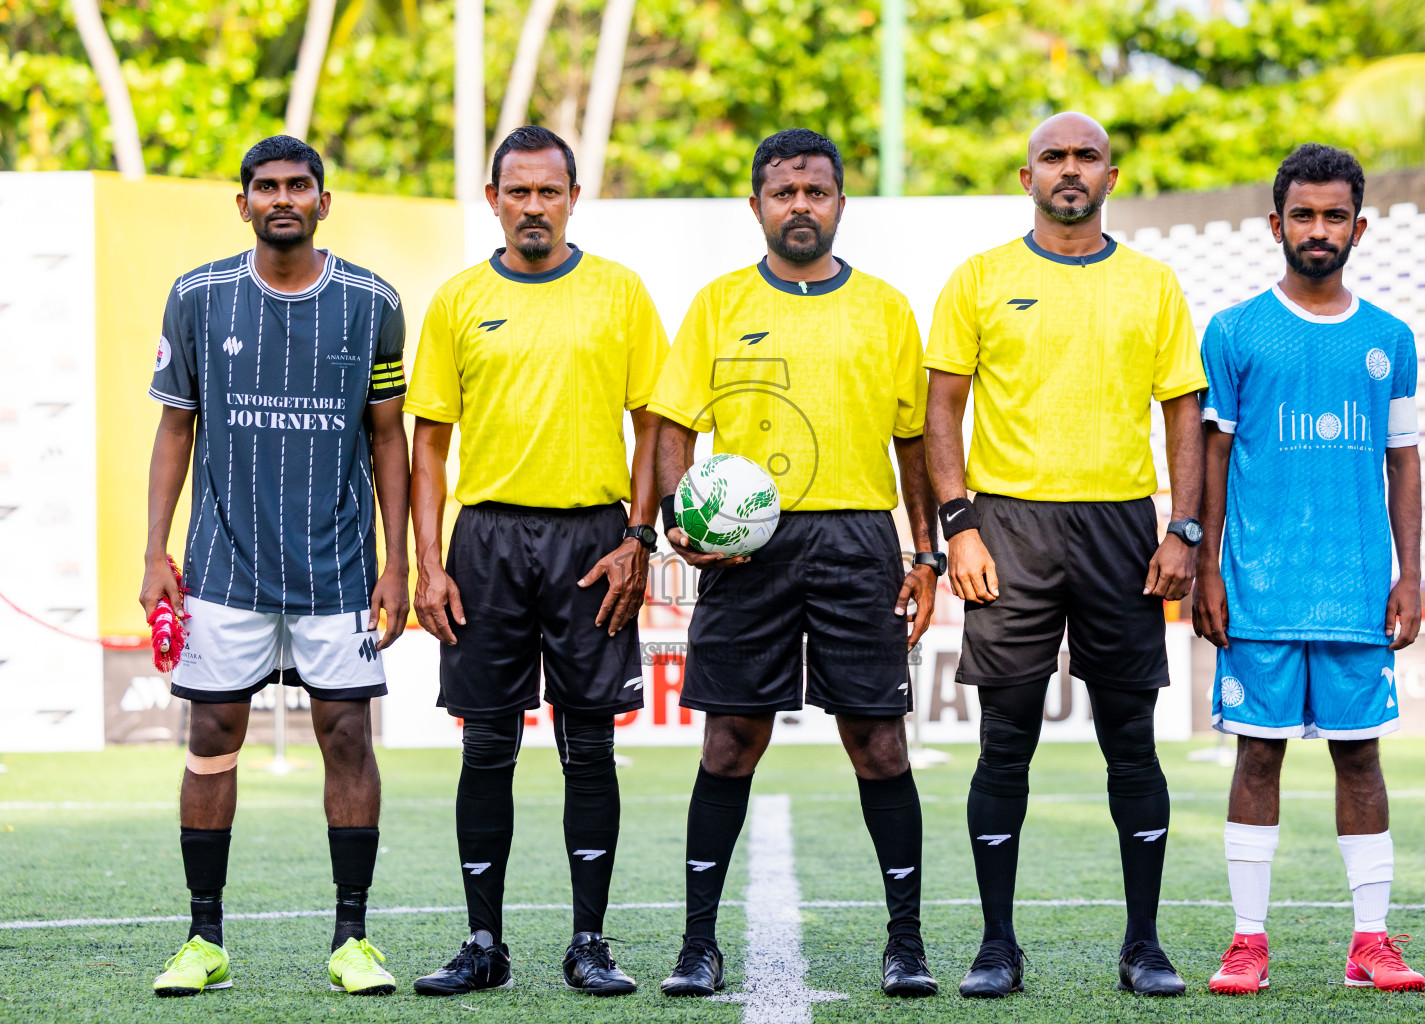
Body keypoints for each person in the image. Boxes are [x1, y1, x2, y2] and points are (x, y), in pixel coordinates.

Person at [649, 128, 942, 1000]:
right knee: (730, 741)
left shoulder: (886, 308)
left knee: (879, 744)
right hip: (748, 552)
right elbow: (672, 425)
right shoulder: (718, 303)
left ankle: (906, 945)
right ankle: (698, 945)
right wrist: (675, 522)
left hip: (859, 541)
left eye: (816, 192)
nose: (801, 206)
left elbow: (914, 442)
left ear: (841, 203)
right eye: (785, 193)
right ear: (757, 206)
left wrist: (926, 552)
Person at [925, 112, 1206, 998]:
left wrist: (1184, 528)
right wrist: (958, 525)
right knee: (1004, 740)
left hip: (1121, 528)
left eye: (1088, 157)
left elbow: (1183, 411)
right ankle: (996, 947)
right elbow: (942, 409)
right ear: (1028, 176)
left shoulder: (1152, 283)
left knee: (1132, 741)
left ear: (1111, 178)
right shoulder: (980, 278)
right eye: (1054, 157)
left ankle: (1144, 946)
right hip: (1008, 528)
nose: (1071, 170)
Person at [141, 135, 410, 998]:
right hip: (224, 567)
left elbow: (388, 438)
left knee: (347, 739)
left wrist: (398, 563)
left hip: (338, 571)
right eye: (266, 186)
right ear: (243, 203)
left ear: (324, 201)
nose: (282, 198)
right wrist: (155, 552)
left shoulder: (373, 302)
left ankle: (353, 940)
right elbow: (175, 427)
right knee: (211, 736)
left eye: (299, 185)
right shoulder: (197, 295)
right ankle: (203, 939)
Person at [407, 126, 668, 998]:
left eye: (548, 191)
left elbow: (653, 427)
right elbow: (429, 444)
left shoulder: (620, 293)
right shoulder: (458, 299)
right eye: (516, 191)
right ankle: (484, 943)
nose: (532, 206)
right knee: (487, 744)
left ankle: (589, 943)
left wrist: (639, 537)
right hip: (484, 542)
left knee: (588, 745)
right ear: (492, 200)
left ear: (573, 198)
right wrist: (428, 562)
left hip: (594, 541)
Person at [1197, 144, 1425, 995]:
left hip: (1357, 592)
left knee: (1360, 760)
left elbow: (1403, 460)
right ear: (1276, 224)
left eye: (1335, 215)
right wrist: (1209, 568)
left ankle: (1371, 942)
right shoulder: (1234, 331)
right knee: (1256, 759)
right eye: (1304, 214)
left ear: (1359, 228)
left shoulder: (1389, 338)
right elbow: (1215, 455)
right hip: (1258, 590)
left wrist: (1410, 576)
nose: (1318, 229)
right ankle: (1246, 942)